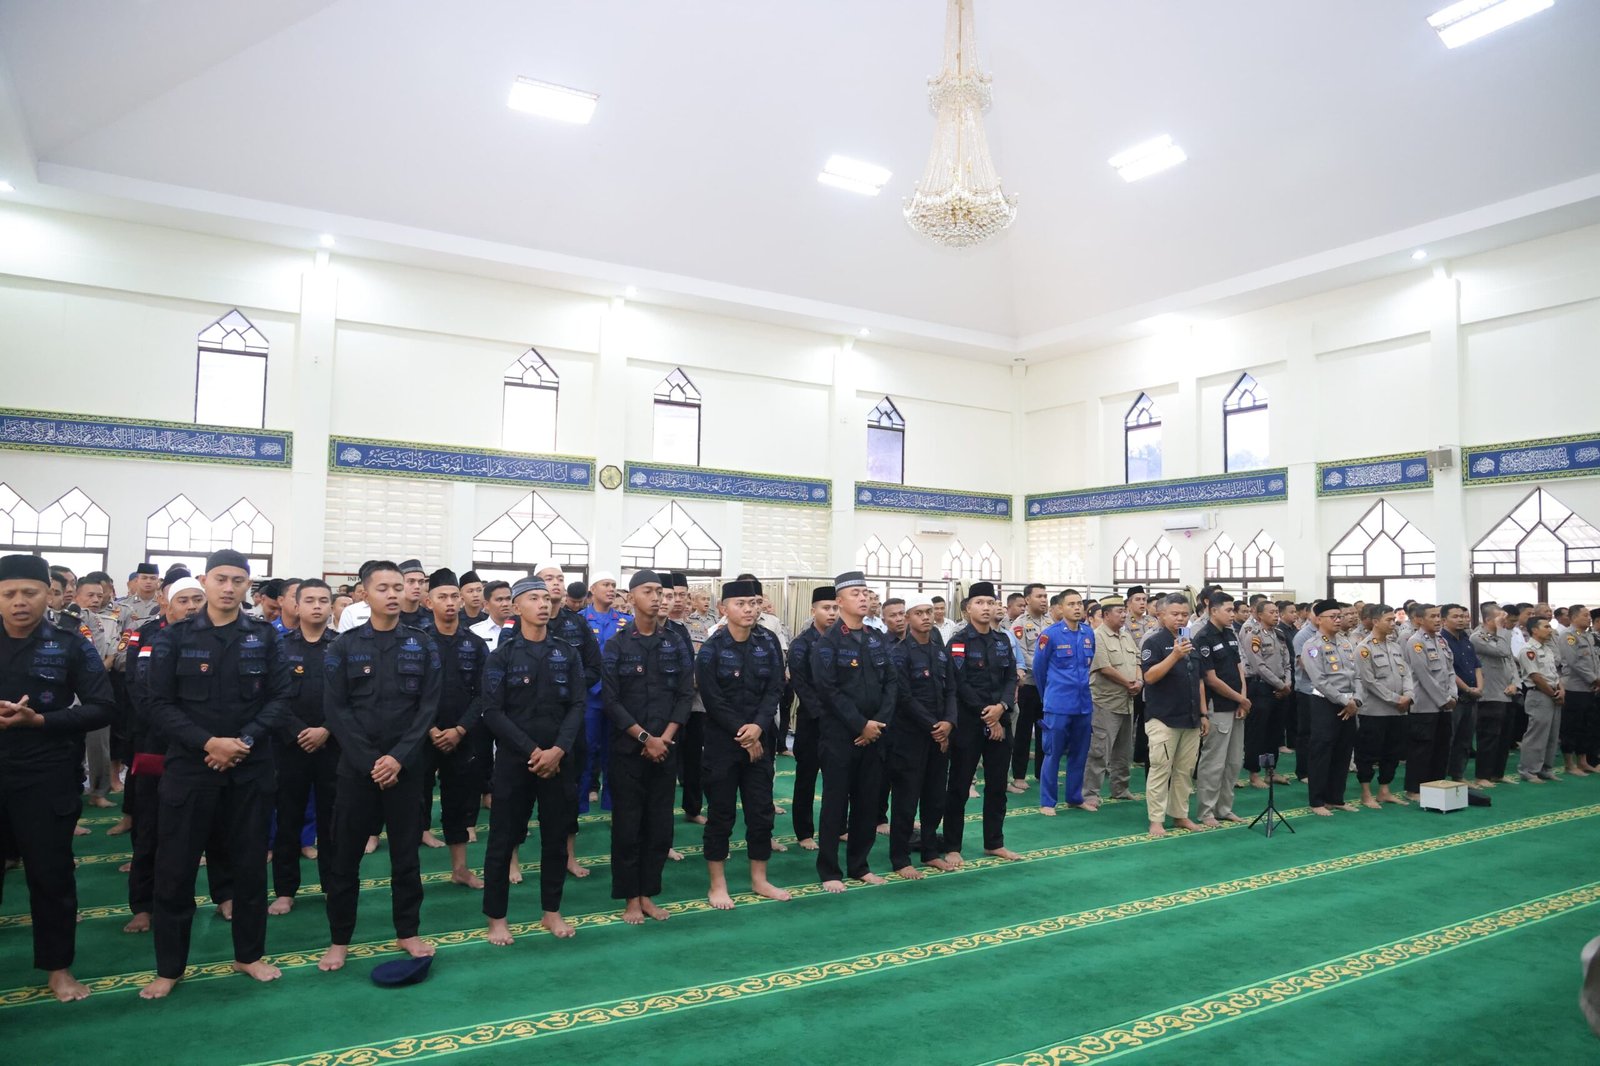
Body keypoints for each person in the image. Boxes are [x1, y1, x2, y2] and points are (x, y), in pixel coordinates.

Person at [140, 549, 290, 999]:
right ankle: (169, 968)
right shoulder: (175, 637)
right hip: (191, 770)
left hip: (249, 769)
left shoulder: (265, 636)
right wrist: (209, 743)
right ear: (205, 581)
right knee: (175, 872)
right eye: (221, 579)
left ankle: (249, 955)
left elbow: (281, 698)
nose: (229, 588)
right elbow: (157, 704)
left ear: (248, 586)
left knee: (249, 869)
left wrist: (242, 742)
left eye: (238, 580)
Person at [0, 554, 117, 1002]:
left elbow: (103, 707)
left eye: (29, 592)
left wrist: (41, 721)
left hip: (45, 774)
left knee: (50, 876)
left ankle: (58, 969)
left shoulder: (71, 644)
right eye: (9, 593)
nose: (19, 601)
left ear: (48, 594)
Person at [316, 560, 441, 973]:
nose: (392, 594)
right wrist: (371, 761)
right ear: (364, 594)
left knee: (406, 857)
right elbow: (335, 709)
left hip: (406, 769)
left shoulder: (422, 644)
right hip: (357, 769)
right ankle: (339, 939)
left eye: (398, 587)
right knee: (344, 859)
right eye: (383, 588)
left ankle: (408, 931)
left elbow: (428, 707)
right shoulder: (343, 646)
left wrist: (398, 758)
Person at [480, 579, 585, 945]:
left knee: (556, 838)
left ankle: (551, 911)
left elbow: (577, 705)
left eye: (546, 598)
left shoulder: (567, 653)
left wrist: (558, 750)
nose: (543, 604)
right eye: (533, 598)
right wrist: (532, 751)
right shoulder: (502, 656)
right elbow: (492, 711)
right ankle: (497, 918)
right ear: (517, 607)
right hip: (515, 762)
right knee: (503, 839)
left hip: (559, 760)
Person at [126, 573, 227, 934]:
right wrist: (179, 731)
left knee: (219, 823)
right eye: (183, 600)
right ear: (166, 603)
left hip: (210, 745)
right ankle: (144, 905)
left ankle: (226, 894)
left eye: (197, 600)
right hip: (159, 743)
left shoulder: (217, 635)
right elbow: (139, 690)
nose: (191, 607)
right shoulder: (147, 635)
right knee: (152, 827)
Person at [600, 570, 691, 924]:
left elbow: (685, 694)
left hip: (665, 749)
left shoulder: (676, 643)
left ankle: (648, 893)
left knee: (659, 826)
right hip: (628, 751)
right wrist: (644, 738)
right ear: (632, 596)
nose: (657, 598)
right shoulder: (617, 644)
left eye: (660, 592)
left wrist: (664, 738)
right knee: (628, 826)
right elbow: (611, 700)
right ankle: (630, 898)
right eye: (649, 591)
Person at [695, 579, 790, 908]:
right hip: (723, 744)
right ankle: (717, 885)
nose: (749, 609)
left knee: (761, 813)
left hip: (761, 740)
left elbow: (775, 688)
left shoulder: (768, 641)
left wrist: (758, 727)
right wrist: (744, 732)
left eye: (754, 602)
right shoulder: (712, 648)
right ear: (723, 608)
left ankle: (759, 879)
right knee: (721, 814)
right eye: (741, 603)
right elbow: (712, 699)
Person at [810, 570, 896, 891]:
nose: (863, 598)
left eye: (866, 593)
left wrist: (877, 724)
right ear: (839, 601)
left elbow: (892, 683)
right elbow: (828, 690)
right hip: (840, 737)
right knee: (835, 805)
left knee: (867, 804)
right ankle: (829, 870)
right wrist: (861, 724)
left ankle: (860, 865)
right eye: (856, 593)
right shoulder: (828, 642)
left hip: (875, 736)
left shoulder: (876, 638)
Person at [268, 579, 338, 915]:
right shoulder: (279, 647)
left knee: (332, 821)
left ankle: (332, 885)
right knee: (288, 820)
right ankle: (285, 891)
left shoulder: (343, 646)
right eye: (309, 600)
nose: (317, 606)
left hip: (333, 746)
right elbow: (272, 697)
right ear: (296, 605)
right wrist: (299, 732)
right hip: (290, 746)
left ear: (331, 606)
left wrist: (326, 729)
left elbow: (352, 698)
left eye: (323, 600)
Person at [417, 568, 488, 887]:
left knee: (458, 803)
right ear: (429, 602)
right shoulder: (416, 642)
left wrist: (460, 729)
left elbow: (484, 693)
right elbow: (409, 693)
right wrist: (430, 728)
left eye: (454, 596)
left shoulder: (475, 644)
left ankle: (460, 869)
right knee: (413, 802)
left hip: (462, 736)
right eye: (442, 597)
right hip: (421, 736)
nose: (449, 602)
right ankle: (409, 873)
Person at [940, 582, 1021, 865]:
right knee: (959, 786)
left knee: (997, 786)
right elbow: (959, 683)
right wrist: (988, 714)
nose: (986, 608)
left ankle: (994, 843)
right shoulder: (959, 641)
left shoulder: (1002, 640)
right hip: (969, 724)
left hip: (1001, 719)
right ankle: (952, 845)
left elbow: (1011, 678)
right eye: (980, 603)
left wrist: (1001, 708)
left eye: (990, 602)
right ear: (967, 609)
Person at [889, 593, 956, 875]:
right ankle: (900, 859)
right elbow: (904, 698)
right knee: (906, 800)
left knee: (934, 798)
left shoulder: (940, 652)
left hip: (940, 736)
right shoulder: (899, 653)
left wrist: (948, 722)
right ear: (907, 618)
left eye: (929, 612)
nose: (926, 617)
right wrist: (935, 727)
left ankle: (930, 852)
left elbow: (951, 690)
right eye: (919, 613)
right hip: (910, 737)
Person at [1139, 593, 1206, 837]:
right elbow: (1149, 677)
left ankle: (1180, 814)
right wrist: (1174, 655)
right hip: (1163, 717)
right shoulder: (1153, 642)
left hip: (1190, 717)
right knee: (1160, 769)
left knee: (1184, 771)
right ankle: (1156, 819)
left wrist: (1203, 714)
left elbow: (1198, 679)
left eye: (1185, 614)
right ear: (1161, 615)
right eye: (1175, 614)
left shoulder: (1190, 641)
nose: (1180, 619)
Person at [1032, 588, 1095, 814]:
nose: (1077, 608)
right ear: (1060, 608)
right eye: (1071, 604)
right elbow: (1038, 670)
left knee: (1080, 753)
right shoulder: (1050, 635)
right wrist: (1048, 697)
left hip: (1083, 704)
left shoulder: (1088, 633)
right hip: (1058, 704)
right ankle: (1048, 802)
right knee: (1053, 753)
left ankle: (1074, 797)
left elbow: (1089, 666)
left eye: (1079, 604)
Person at [1299, 599, 1363, 816]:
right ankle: (1317, 801)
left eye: (1339, 616)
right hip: (1325, 703)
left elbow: (1357, 675)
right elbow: (1319, 680)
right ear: (1318, 620)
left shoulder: (1346, 643)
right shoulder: (1312, 646)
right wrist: (1345, 701)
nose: (1338, 620)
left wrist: (1357, 700)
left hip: (1350, 703)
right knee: (1322, 751)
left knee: (1343, 751)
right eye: (1333, 617)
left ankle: (1336, 798)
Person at [787, 586, 837, 851]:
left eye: (835, 608)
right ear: (813, 610)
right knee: (806, 777)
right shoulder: (801, 644)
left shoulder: (844, 640)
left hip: (840, 721)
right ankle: (804, 831)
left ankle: (839, 827)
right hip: (812, 720)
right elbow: (801, 685)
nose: (831, 613)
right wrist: (824, 714)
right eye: (826, 608)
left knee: (838, 779)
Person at [1194, 592, 1249, 826]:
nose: (1232, 614)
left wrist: (1242, 698)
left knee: (1234, 762)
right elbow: (1210, 678)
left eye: (1233, 610)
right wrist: (1240, 699)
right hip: (1218, 707)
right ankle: (1206, 811)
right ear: (1213, 610)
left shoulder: (1230, 633)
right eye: (1228, 610)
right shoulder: (1203, 637)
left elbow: (1239, 668)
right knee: (1213, 763)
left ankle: (1224, 808)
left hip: (1236, 705)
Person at [580, 571, 630, 813]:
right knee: (586, 750)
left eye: (613, 585)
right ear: (592, 589)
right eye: (605, 585)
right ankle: (578, 806)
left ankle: (612, 806)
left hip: (617, 697)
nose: (611, 589)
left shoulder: (626, 621)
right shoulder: (579, 620)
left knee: (615, 753)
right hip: (589, 696)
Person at [1084, 594, 1140, 810]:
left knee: (1124, 751)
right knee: (1099, 751)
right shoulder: (1097, 636)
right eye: (1119, 611)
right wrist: (1128, 683)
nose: (1124, 615)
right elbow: (1104, 667)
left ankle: (1120, 788)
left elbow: (1137, 661)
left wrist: (1139, 681)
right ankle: (1090, 793)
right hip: (1105, 702)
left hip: (1127, 701)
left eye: (1124, 611)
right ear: (1106, 615)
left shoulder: (1126, 636)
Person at [1353, 604, 1412, 807]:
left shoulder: (1395, 647)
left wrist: (1408, 696)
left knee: (1393, 752)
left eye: (1394, 619)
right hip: (1374, 711)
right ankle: (1366, 792)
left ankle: (1384, 790)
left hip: (1398, 711)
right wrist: (1397, 699)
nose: (1393, 623)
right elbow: (1369, 681)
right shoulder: (1364, 648)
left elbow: (1406, 674)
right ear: (1375, 621)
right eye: (1388, 620)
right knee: (1368, 753)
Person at [1402, 604, 1456, 798]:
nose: (1437, 620)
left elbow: (1450, 670)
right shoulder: (1415, 642)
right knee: (1421, 750)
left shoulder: (1441, 640)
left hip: (1446, 705)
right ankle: (1414, 789)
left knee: (1441, 748)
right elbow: (1423, 675)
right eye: (1432, 616)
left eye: (1439, 616)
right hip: (1425, 705)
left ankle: (1436, 787)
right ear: (1419, 620)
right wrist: (1444, 699)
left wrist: (1453, 695)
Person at [1240, 599, 1293, 789]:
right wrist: (1280, 685)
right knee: (1257, 733)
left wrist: (1286, 683)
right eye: (1271, 612)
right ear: (1259, 615)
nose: (1275, 615)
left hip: (1281, 689)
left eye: (1277, 612)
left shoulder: (1279, 634)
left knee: (1275, 733)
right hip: (1261, 688)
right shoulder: (1254, 636)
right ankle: (1254, 774)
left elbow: (1287, 662)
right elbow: (1258, 666)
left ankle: (1271, 771)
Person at [1470, 604, 1519, 786]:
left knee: (1504, 738)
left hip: (1507, 693)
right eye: (1501, 617)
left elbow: (1511, 662)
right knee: (1488, 737)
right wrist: (1501, 629)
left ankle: (1498, 773)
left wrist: (1515, 683)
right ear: (1489, 619)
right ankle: (1482, 776)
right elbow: (1503, 651)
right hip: (1489, 695)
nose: (1505, 621)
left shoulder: (1501, 636)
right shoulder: (1478, 637)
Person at [1010, 583, 1051, 793]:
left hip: (1049, 686)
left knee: (1046, 731)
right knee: (1024, 733)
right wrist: (1043, 667)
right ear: (1027, 600)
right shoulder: (1019, 625)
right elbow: (1022, 654)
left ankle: (1042, 773)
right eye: (1039, 596)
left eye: (1045, 596)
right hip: (1029, 685)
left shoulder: (1051, 622)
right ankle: (1018, 776)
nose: (1044, 600)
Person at [1439, 604, 1483, 782]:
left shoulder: (1466, 640)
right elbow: (1448, 670)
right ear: (1444, 620)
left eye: (1464, 616)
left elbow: (1477, 666)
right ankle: (1441, 777)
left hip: (1471, 698)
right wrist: (1468, 689)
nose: (1462, 620)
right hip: (1453, 698)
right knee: (1448, 739)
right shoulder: (1440, 641)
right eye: (1456, 617)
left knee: (1465, 739)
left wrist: (1479, 687)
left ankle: (1458, 775)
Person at [1518, 617, 1564, 783]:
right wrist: (1553, 694)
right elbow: (1535, 677)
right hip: (1539, 694)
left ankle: (1546, 768)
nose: (1550, 630)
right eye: (1546, 627)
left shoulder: (1548, 649)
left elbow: (1554, 674)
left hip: (1553, 693)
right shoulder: (1528, 650)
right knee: (1537, 734)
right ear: (1534, 630)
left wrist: (1561, 690)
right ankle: (1528, 770)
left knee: (1552, 734)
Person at [1556, 605, 1598, 776]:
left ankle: (1583, 761)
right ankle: (1569, 763)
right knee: (1571, 726)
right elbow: (1575, 663)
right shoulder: (1568, 636)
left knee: (1587, 725)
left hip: (1590, 688)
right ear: (1574, 618)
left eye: (1589, 615)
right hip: (1574, 688)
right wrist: (1594, 679)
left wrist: (1597, 679)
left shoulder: (1588, 635)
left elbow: (1595, 661)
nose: (1589, 618)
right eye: (1585, 615)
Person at [396, 559, 430, 628]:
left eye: (421, 582)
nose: (417, 586)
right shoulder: (390, 617)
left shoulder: (432, 618)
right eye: (411, 581)